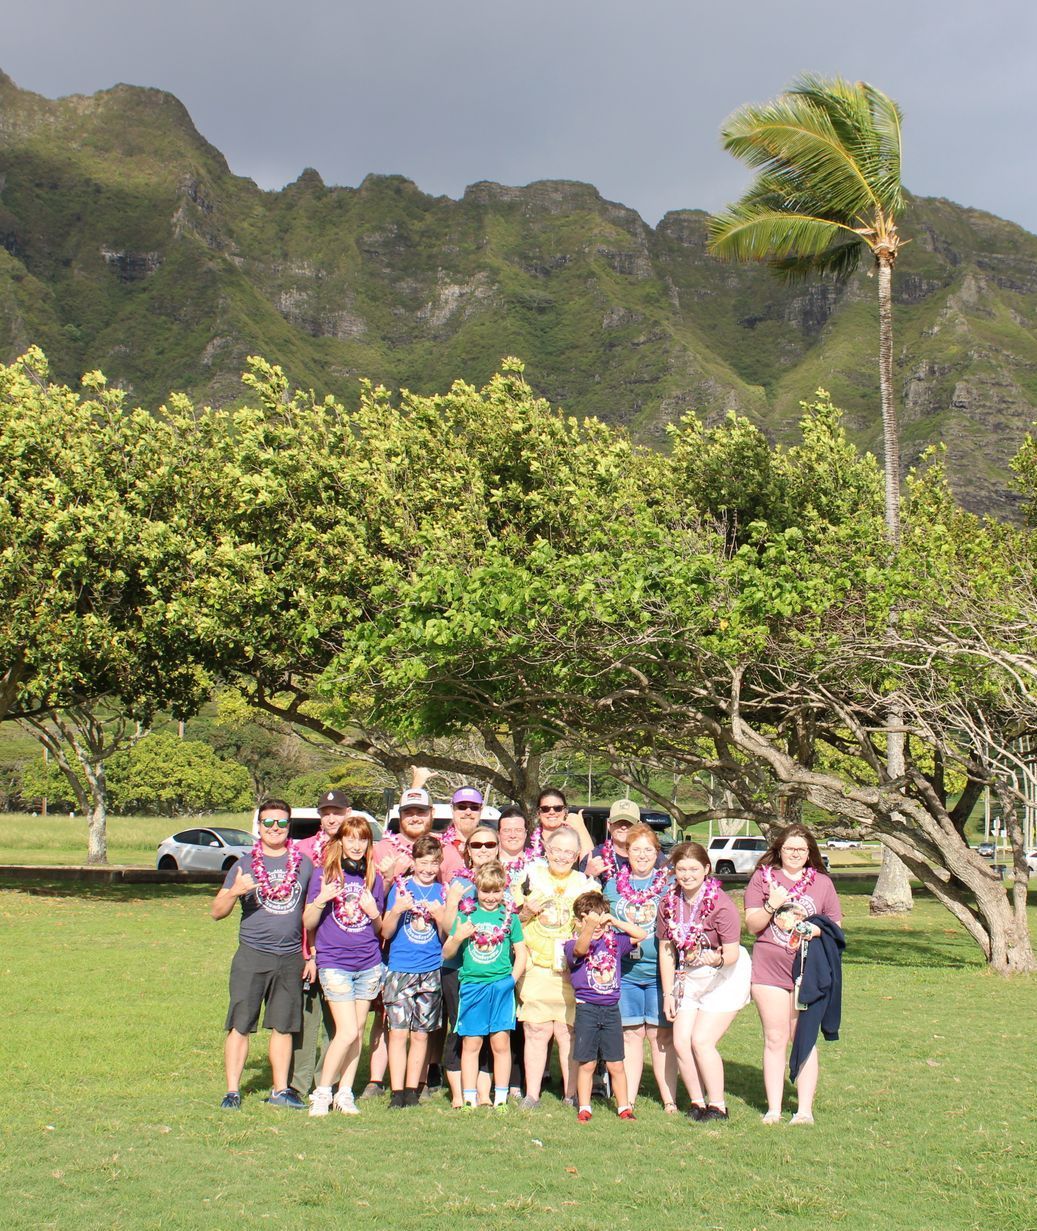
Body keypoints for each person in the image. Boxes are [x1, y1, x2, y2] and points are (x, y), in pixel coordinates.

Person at [211, 798, 312, 1110]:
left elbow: (310, 913)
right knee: (241, 1023)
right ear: (259, 826)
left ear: (288, 825)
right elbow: (217, 912)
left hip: (291, 955)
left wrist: (312, 955)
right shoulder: (243, 865)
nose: (275, 828)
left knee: (283, 1025)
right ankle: (232, 1091)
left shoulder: (303, 864)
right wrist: (235, 892)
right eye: (268, 822)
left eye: (281, 822)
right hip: (253, 954)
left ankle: (280, 1090)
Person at [743, 823, 842, 1125]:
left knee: (804, 1038)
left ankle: (804, 1111)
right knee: (775, 1038)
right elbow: (752, 925)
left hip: (807, 971)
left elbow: (837, 927)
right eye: (789, 849)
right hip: (769, 969)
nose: (795, 854)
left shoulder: (822, 883)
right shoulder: (763, 879)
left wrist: (817, 929)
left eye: (801, 849)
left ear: (810, 851)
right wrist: (772, 903)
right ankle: (773, 1109)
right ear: (779, 850)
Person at [658, 842, 751, 1122]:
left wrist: (712, 958)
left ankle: (718, 1105)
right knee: (682, 1040)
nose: (687, 875)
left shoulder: (721, 905)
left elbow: (732, 953)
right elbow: (666, 949)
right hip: (688, 976)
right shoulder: (668, 903)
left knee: (702, 1040)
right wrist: (667, 994)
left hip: (724, 975)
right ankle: (697, 1103)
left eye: (694, 869)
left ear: (707, 869)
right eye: (681, 869)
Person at [303, 815, 385, 1116]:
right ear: (340, 842)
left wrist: (375, 913)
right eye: (350, 838)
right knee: (347, 1030)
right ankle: (323, 1092)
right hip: (335, 962)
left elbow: (379, 930)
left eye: (362, 839)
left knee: (358, 1030)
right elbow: (308, 922)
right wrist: (322, 899)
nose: (356, 845)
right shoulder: (324, 875)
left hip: (368, 963)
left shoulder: (374, 879)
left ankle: (345, 1093)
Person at [513, 824, 595, 1108]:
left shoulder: (586, 885)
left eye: (568, 852)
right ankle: (532, 1094)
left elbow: (594, 928)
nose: (561, 856)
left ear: (576, 856)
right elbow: (510, 922)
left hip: (571, 971)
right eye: (556, 850)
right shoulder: (528, 877)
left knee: (566, 1031)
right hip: (537, 964)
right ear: (546, 850)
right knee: (535, 1031)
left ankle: (570, 1094)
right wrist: (526, 911)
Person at [603, 823, 678, 1112]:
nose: (642, 855)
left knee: (660, 1036)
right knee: (631, 1034)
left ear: (657, 853)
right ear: (627, 853)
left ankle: (669, 1098)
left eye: (648, 850)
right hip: (626, 974)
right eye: (636, 850)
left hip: (661, 974)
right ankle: (628, 1098)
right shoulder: (613, 885)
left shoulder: (669, 884)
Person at [442, 861, 527, 1110]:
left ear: (504, 890)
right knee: (472, 1042)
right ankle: (469, 1096)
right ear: (476, 888)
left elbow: (521, 953)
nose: (491, 897)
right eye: (485, 891)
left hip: (500, 986)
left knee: (500, 1042)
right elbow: (447, 953)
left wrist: (512, 979)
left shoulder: (509, 918)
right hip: (472, 986)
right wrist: (458, 937)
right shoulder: (466, 914)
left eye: (496, 891)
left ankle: (499, 1097)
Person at [290, 789, 351, 1098]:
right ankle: (298, 1084)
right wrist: (308, 952)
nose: (331, 817)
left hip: (341, 948)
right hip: (305, 944)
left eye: (337, 812)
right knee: (306, 1018)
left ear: (347, 813)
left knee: (337, 1021)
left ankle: (325, 1082)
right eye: (326, 811)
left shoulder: (355, 849)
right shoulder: (301, 850)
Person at [565, 890, 646, 1122]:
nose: (596, 924)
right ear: (578, 921)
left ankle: (623, 1107)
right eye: (588, 918)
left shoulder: (615, 943)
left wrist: (613, 920)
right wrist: (589, 926)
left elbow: (640, 934)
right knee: (587, 1062)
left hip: (611, 1009)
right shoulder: (572, 944)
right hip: (587, 1009)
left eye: (599, 918)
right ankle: (584, 1106)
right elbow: (581, 950)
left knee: (616, 1062)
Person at [441, 825, 506, 1107]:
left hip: (492, 969)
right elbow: (447, 930)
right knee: (461, 1030)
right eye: (476, 845)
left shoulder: (504, 882)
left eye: (489, 844)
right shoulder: (459, 883)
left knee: (492, 1033)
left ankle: (484, 1092)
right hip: (459, 968)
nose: (483, 850)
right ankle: (458, 1093)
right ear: (467, 850)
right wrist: (453, 902)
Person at [381, 834, 448, 1109]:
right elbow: (385, 931)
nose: (428, 869)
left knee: (421, 1033)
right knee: (398, 1032)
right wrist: (397, 910)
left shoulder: (442, 892)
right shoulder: (401, 887)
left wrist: (441, 916)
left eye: (434, 863)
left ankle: (413, 1090)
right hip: (400, 969)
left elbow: (446, 937)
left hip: (431, 969)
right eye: (423, 862)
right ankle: (397, 1091)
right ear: (414, 861)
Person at [529, 787, 594, 862]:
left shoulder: (578, 838)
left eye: (558, 808)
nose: (552, 812)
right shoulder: (529, 843)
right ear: (538, 813)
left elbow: (589, 864)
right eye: (545, 809)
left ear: (565, 811)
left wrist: (580, 828)